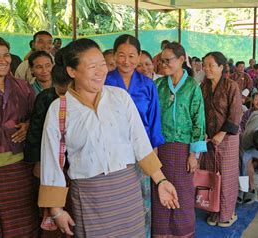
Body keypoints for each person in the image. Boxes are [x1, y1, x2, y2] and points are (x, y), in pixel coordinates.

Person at [39, 38, 179, 237]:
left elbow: (140, 142)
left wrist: (161, 181)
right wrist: (56, 210)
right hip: (90, 197)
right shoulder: (59, 110)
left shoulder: (120, 97)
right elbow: (52, 161)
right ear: (72, 71)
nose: (100, 72)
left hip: (128, 189)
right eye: (92, 67)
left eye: (103, 65)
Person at [105, 34, 165, 238]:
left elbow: (154, 121)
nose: (126, 61)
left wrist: (153, 153)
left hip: (142, 153)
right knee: (116, 204)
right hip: (112, 153)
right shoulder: (104, 81)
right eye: (121, 55)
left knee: (142, 202)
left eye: (132, 56)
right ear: (113, 55)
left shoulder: (148, 85)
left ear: (139, 56)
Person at [154, 42, 206, 238]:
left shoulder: (192, 87)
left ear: (182, 60)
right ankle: (161, 232)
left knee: (183, 194)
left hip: (184, 150)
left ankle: (181, 232)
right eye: (161, 61)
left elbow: (198, 121)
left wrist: (194, 153)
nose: (163, 64)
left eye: (168, 60)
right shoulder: (158, 85)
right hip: (161, 149)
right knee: (160, 190)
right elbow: (153, 118)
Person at [0, 37, 38, 238]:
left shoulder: (22, 86)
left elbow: (37, 116)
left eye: (5, 54)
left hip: (19, 166)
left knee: (23, 223)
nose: (3, 60)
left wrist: (29, 125)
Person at [200, 51, 243, 227]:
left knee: (226, 176)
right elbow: (199, 110)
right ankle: (213, 210)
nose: (206, 68)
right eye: (204, 65)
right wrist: (202, 131)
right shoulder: (203, 86)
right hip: (209, 138)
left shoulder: (231, 86)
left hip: (227, 138)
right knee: (211, 174)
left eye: (210, 65)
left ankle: (226, 213)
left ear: (221, 67)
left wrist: (221, 133)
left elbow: (235, 114)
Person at [24, 48, 71, 177]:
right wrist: (37, 161)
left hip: (73, 156)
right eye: (39, 67)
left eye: (48, 66)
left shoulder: (79, 97)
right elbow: (36, 131)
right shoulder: (43, 97)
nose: (45, 71)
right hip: (49, 153)